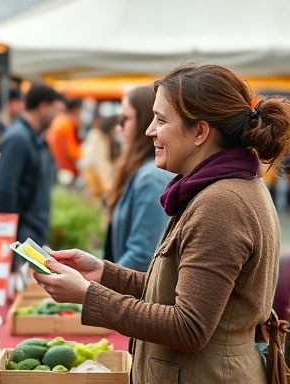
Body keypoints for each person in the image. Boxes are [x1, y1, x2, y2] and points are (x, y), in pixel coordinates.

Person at [33, 63, 290, 384]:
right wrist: (105, 274)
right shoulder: (222, 189)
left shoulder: (221, 202)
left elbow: (189, 327)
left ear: (200, 131)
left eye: (162, 120)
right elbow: (178, 293)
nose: (149, 130)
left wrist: (88, 295)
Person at [103, 86, 173, 272]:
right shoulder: (143, 171)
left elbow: (143, 254)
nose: (119, 127)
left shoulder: (152, 176)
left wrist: (99, 285)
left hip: (132, 294)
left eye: (125, 119)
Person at [0, 83, 64, 264]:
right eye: (55, 110)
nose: (57, 117)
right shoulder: (18, 138)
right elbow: (5, 189)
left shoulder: (33, 137)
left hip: (30, 231)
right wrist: (9, 235)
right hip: (22, 234)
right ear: (42, 106)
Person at [46, 97, 83, 184]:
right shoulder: (67, 124)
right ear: (76, 109)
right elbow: (71, 151)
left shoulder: (59, 120)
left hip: (56, 166)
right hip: (65, 170)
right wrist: (86, 154)